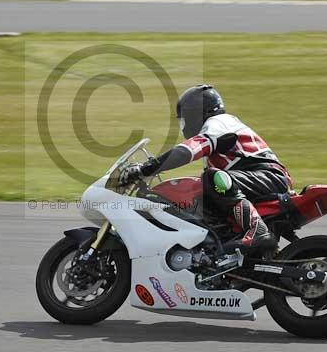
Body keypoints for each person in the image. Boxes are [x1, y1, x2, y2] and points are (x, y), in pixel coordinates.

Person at [119, 84, 292, 251]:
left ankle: (257, 230)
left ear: (197, 113)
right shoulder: (220, 131)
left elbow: (189, 150)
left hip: (268, 176)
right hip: (257, 178)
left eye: (186, 119)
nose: (184, 126)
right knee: (203, 193)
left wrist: (147, 168)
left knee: (211, 178)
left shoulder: (219, 122)